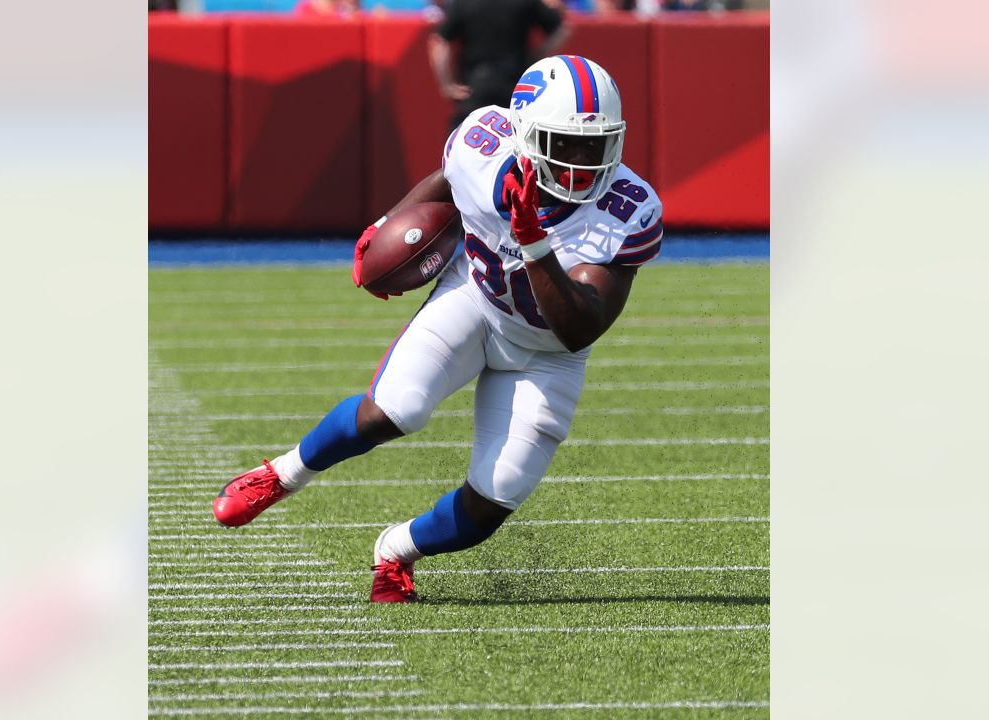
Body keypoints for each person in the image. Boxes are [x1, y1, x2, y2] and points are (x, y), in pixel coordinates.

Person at [212, 55, 664, 603]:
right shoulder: (482, 142)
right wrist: (383, 229)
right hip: (474, 295)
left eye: (594, 145)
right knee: (395, 409)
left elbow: (576, 328)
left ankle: (397, 549)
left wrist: (533, 240)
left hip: (546, 354)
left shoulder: (628, 209)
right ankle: (281, 475)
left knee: (491, 502)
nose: (580, 162)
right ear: (523, 134)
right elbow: (446, 185)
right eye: (562, 143)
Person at [429, 0, 572, 129]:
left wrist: (447, 85)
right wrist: (537, 55)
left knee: (465, 144)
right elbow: (561, 29)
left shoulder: (464, 3)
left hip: (475, 88)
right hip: (515, 88)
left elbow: (440, 41)